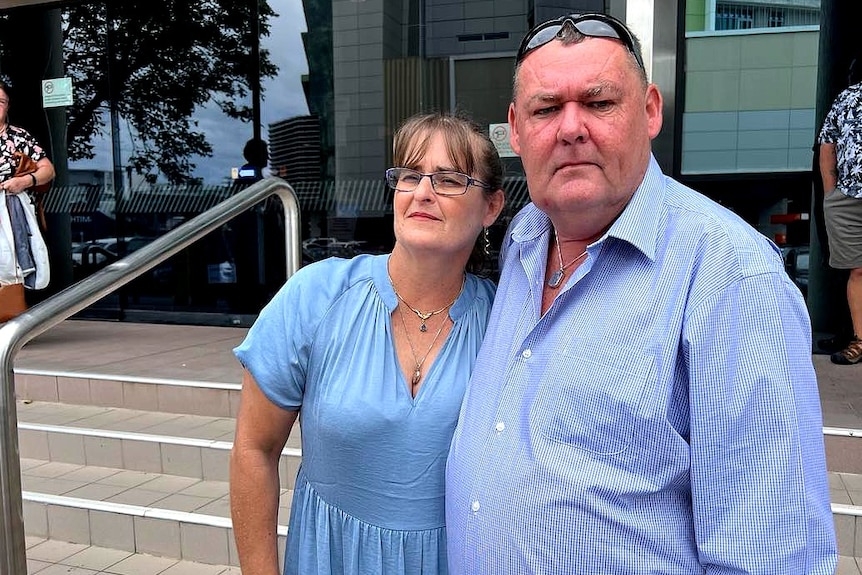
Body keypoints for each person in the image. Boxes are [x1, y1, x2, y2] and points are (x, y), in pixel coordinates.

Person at [445, 13, 836, 574]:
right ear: (514, 126)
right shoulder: (523, 241)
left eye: (599, 103)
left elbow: (771, 555)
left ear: (651, 110)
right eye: (546, 108)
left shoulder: (730, 278)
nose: (571, 128)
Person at [230, 112, 505, 575]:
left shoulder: (507, 322)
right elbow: (254, 449)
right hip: (332, 559)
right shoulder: (316, 295)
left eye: (449, 179)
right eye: (410, 175)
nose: (422, 192)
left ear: (491, 207)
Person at [818, 59, 862, 365]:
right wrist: (830, 194)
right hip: (847, 197)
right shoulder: (846, 98)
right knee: (857, 270)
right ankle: (860, 340)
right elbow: (827, 146)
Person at [0, 78, 55, 304]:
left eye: (1, 101)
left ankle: (9, 324)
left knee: (10, 266)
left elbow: (48, 170)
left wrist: (24, 182)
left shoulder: (19, 137)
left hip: (12, 214)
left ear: (8, 107)